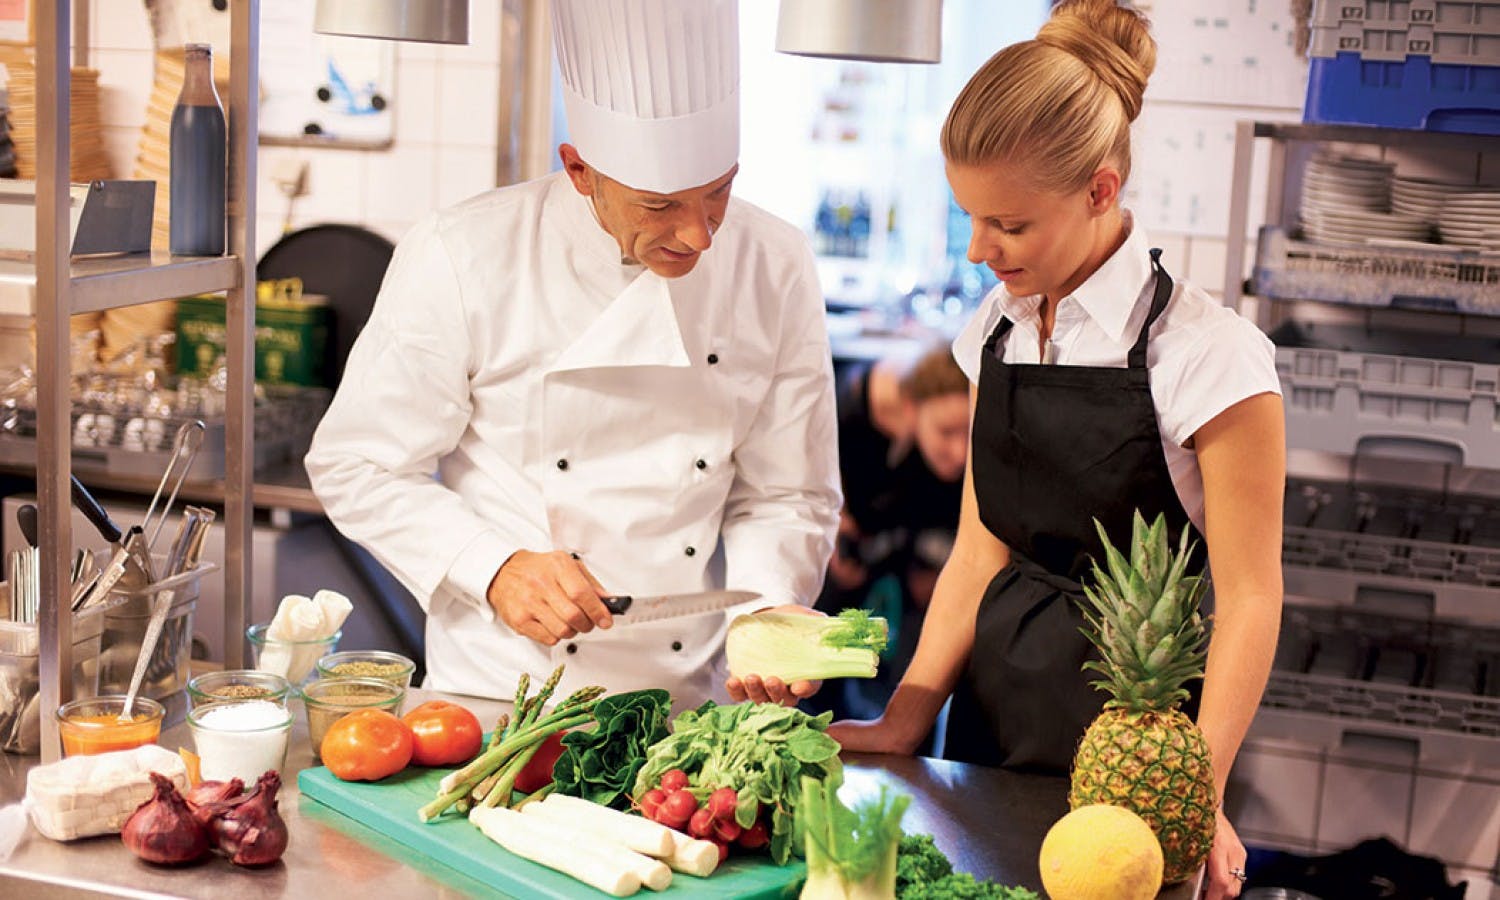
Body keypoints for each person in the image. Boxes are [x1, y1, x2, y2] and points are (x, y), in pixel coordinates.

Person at [826, 3, 1285, 899]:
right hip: (991, 724)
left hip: (1144, 741)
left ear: (1100, 191)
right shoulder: (991, 332)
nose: (977, 251)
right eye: (968, 218)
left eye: (1008, 226)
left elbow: (1252, 598)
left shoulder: (1208, 355)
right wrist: (906, 717)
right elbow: (981, 548)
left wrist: (1201, 785)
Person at [305, 0, 840, 713]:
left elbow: (787, 494)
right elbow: (356, 463)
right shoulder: (464, 253)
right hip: (500, 699)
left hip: (689, 705)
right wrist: (493, 569)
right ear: (580, 169)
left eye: (719, 192)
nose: (700, 236)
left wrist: (765, 613)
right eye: (659, 205)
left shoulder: (775, 262)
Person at [816, 343, 968, 720]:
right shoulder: (852, 412)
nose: (961, 452)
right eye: (946, 432)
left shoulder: (959, 454)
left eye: (970, 432)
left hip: (915, 555)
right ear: (911, 410)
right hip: (854, 553)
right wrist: (832, 522)